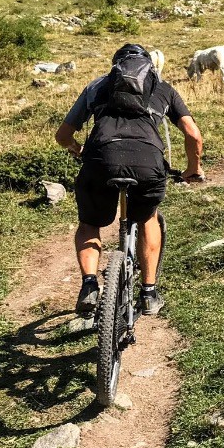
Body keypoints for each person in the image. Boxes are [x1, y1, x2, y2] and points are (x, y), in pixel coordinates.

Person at [54, 44, 204, 317]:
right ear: (148, 67)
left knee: (89, 224)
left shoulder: (96, 87)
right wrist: (193, 169)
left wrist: (78, 150)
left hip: (100, 160)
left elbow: (63, 135)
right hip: (148, 163)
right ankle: (148, 293)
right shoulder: (163, 88)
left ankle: (89, 284)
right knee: (147, 218)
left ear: (116, 67)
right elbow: (193, 134)